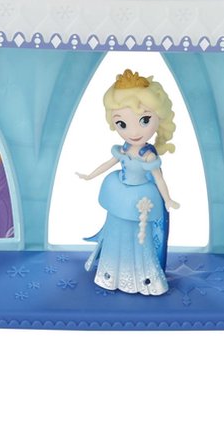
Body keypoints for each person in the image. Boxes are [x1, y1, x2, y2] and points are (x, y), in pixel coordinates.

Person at [77, 69, 180, 295]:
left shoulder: (148, 156)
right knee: (116, 233)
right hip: (119, 195)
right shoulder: (124, 149)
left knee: (139, 240)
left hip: (140, 198)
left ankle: (140, 277)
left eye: (144, 120)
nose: (133, 131)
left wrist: (168, 199)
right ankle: (111, 273)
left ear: (159, 119)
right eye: (122, 123)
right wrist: (90, 175)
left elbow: (159, 178)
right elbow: (108, 163)